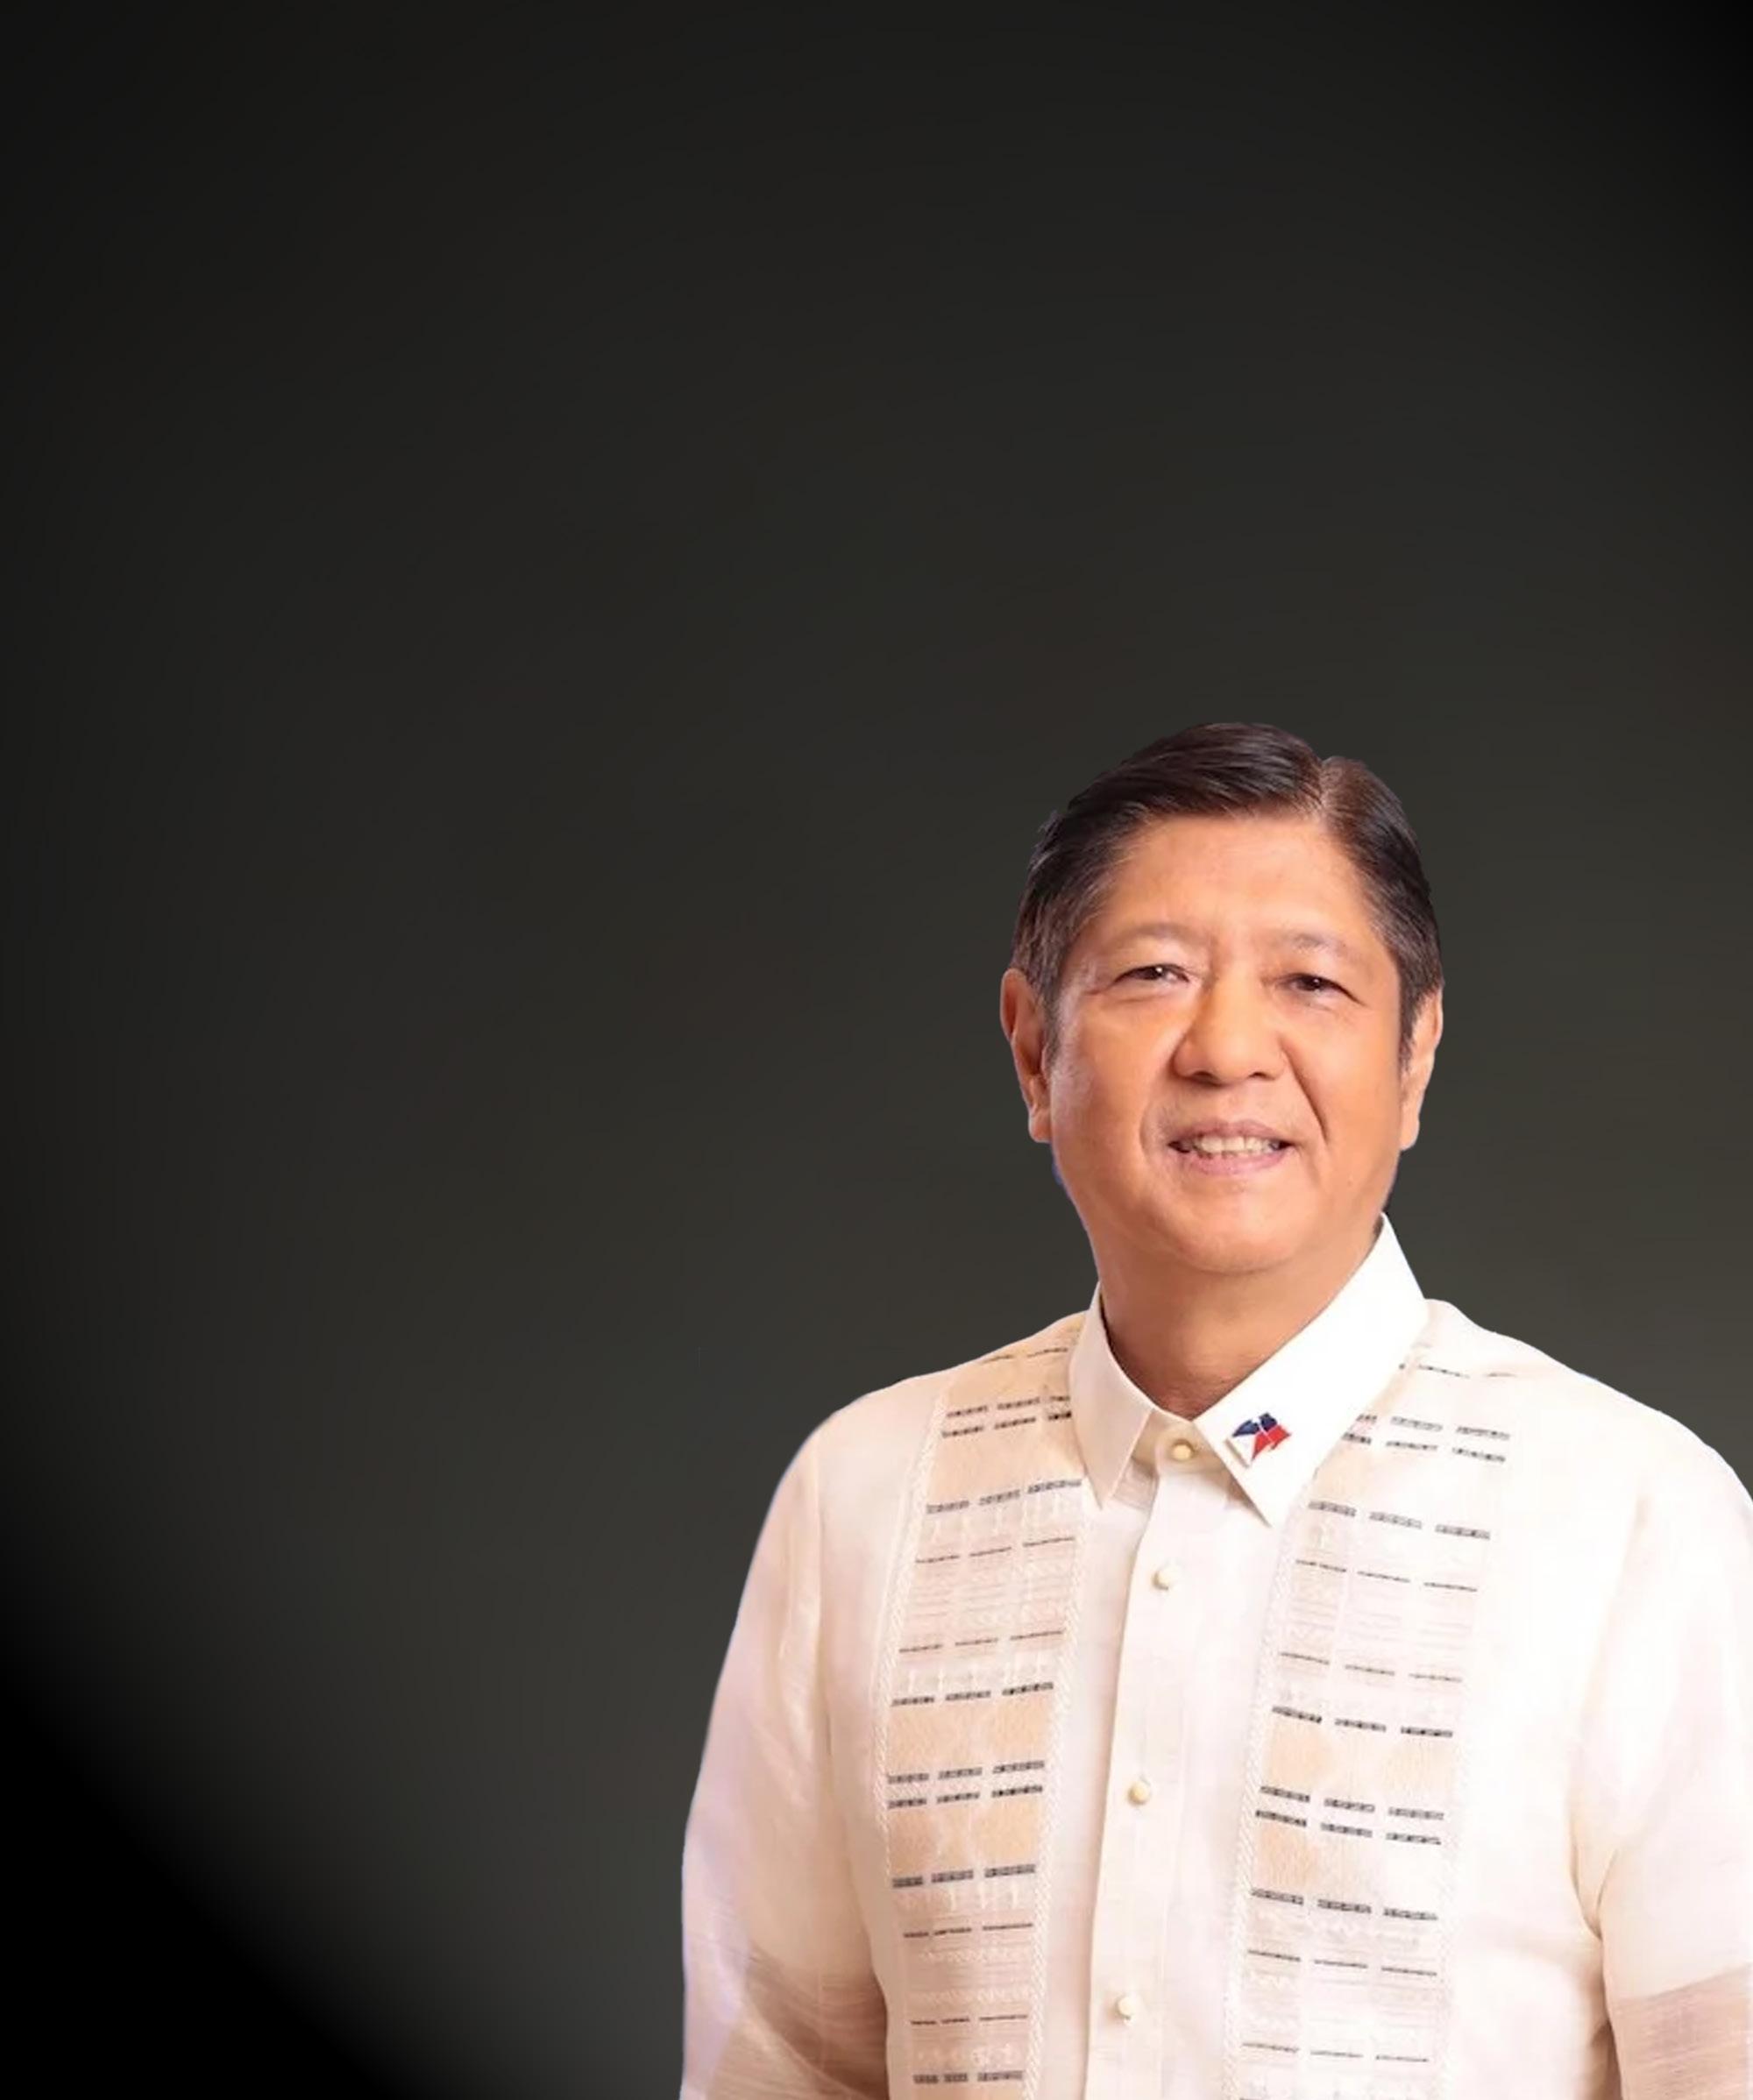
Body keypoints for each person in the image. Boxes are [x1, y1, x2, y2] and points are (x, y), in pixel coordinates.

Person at [678, 721, 1753, 2099]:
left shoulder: (1634, 1524)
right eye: (1154, 975)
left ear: (1415, 1057)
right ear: (1032, 1050)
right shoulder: (865, 1499)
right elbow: (783, 2070)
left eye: (1310, 981)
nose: (1228, 1047)